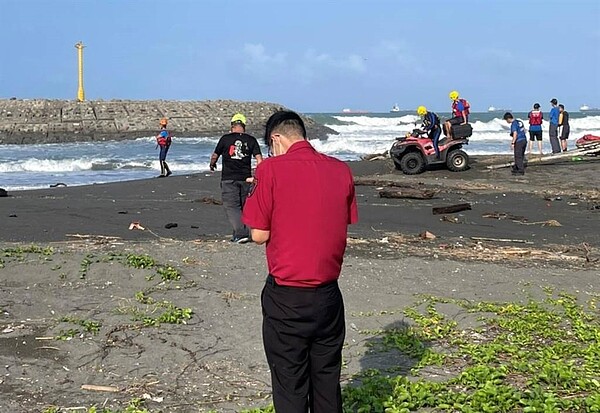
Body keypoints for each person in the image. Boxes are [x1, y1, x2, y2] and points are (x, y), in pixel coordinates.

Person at [242, 110, 358, 413]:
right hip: (328, 295)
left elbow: (258, 234)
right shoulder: (340, 170)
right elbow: (340, 220)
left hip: (287, 295)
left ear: (276, 138)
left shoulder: (271, 170)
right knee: (326, 383)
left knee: (290, 385)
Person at [210, 113, 263, 243]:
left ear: (232, 126)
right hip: (245, 178)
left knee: (232, 206)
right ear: (244, 126)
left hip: (229, 178)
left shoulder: (225, 139)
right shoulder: (251, 140)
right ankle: (242, 233)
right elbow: (259, 159)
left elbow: (215, 155)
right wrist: (259, 175)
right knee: (244, 206)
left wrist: (212, 164)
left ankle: (240, 233)